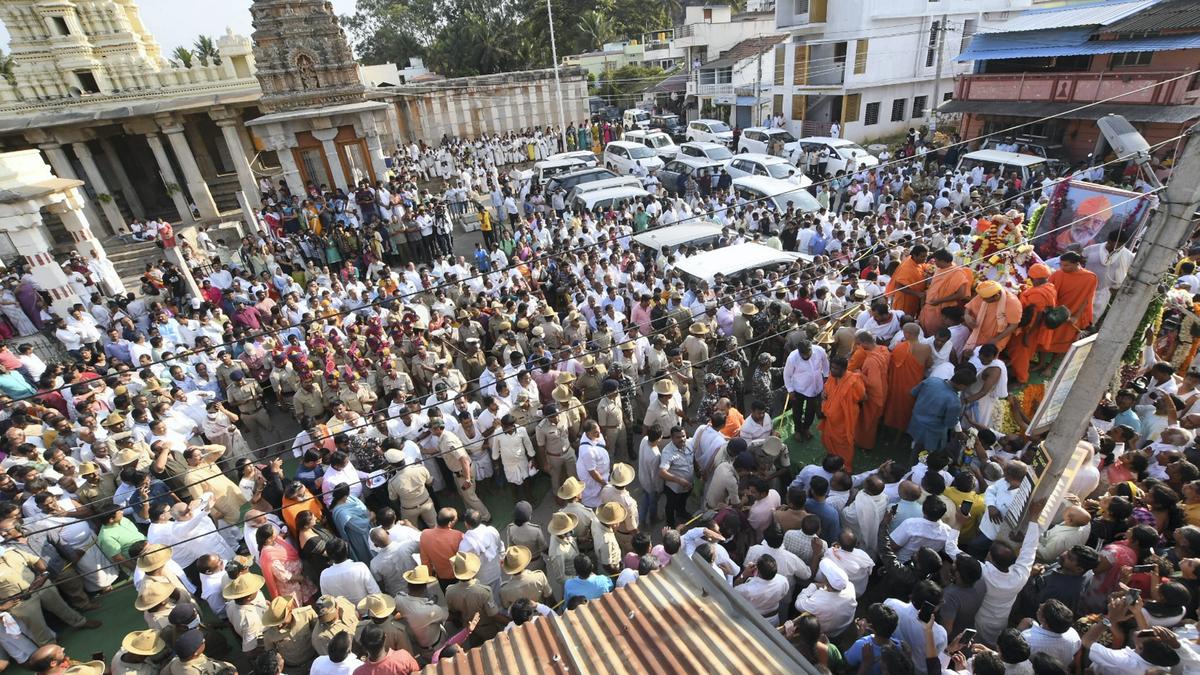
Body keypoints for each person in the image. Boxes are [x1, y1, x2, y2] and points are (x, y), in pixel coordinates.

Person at [819, 356, 865, 470]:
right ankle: (832, 459)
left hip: (845, 420)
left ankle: (845, 466)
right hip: (830, 420)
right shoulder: (832, 376)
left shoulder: (853, 381)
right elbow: (826, 389)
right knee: (828, 438)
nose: (832, 370)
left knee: (844, 443)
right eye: (832, 368)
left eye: (835, 368)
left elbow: (863, 397)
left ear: (844, 369)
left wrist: (846, 402)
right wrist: (823, 394)